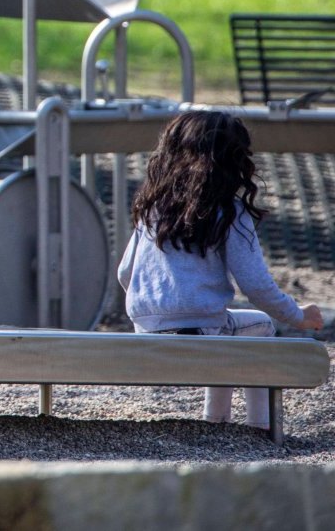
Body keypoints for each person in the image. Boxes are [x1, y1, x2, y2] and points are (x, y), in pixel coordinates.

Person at [118, 110, 325, 429]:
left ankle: (217, 421)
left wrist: (158, 309)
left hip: (144, 334)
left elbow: (124, 274)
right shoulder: (230, 212)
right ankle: (258, 428)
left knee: (228, 325)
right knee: (261, 326)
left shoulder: (154, 210)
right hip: (200, 335)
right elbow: (257, 287)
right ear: (235, 162)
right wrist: (297, 315)